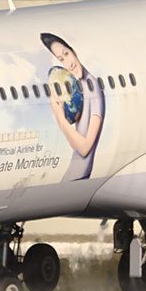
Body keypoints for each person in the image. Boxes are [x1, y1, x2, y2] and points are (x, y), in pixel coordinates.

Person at [42, 33, 104, 181]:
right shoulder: (81, 86)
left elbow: (85, 149)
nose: (69, 64)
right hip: (74, 176)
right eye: (61, 59)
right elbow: (74, 144)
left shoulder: (93, 87)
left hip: (78, 176)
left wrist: (61, 118)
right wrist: (60, 117)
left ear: (73, 51)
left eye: (67, 54)